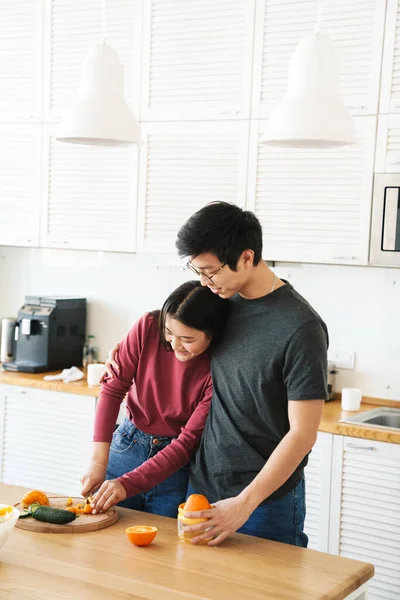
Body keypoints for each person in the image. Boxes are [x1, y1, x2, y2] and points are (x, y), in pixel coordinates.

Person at [174, 202, 328, 547]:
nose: (203, 282)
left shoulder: (300, 327)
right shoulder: (217, 303)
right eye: (197, 270)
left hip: (263, 502)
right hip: (202, 486)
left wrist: (245, 503)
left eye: (211, 271)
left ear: (246, 257)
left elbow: (303, 434)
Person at [80, 281, 229, 518]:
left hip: (176, 467)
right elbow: (112, 390)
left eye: (187, 339)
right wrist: (98, 464)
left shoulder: (222, 367)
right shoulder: (148, 326)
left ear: (212, 335)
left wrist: (127, 485)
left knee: (163, 547)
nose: (174, 345)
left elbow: (187, 441)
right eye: (169, 333)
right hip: (127, 446)